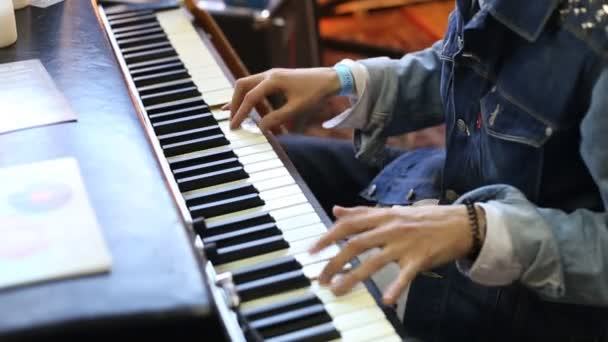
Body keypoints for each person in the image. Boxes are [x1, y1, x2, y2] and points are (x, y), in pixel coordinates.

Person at [226, 0, 608, 340]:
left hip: (531, 293)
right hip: (449, 182)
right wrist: (343, 81)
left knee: (305, 310)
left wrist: (476, 229)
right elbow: (465, 61)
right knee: (251, 163)